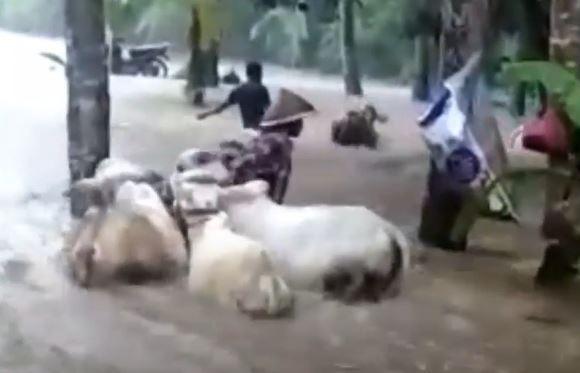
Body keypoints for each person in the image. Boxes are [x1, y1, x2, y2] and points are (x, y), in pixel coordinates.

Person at [197, 62, 270, 130]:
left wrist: (205, 114)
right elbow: (270, 110)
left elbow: (221, 107)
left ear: (247, 74)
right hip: (261, 127)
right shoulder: (262, 89)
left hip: (248, 127)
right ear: (259, 74)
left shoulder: (239, 89)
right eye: (261, 73)